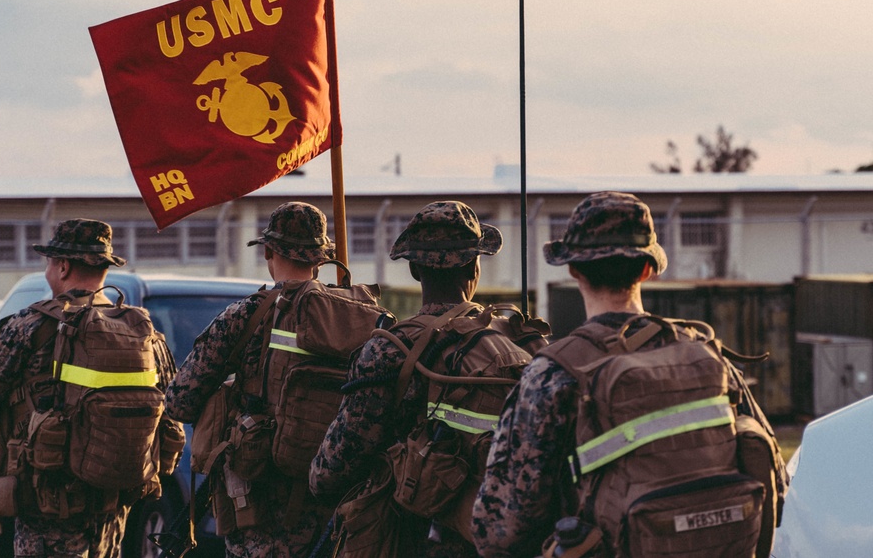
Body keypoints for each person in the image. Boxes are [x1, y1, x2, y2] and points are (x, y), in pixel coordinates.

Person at [472, 191, 787, 557]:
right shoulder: (708, 356)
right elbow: (775, 483)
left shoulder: (551, 374)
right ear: (647, 269)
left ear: (573, 269)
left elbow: (499, 532)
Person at [0, 219, 181, 558]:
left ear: (62, 266)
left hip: (45, 507)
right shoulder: (143, 332)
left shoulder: (27, 328)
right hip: (113, 503)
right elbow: (174, 407)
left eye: (49, 261)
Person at [310, 200, 512, 558]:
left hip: (405, 539)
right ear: (475, 265)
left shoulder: (388, 350)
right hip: (494, 539)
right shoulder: (517, 345)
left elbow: (330, 473)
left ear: (416, 269)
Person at [165, 201, 337, 558]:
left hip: (260, 502)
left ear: (269, 252)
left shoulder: (245, 316)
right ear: (321, 259)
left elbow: (180, 400)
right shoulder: (355, 319)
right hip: (331, 504)